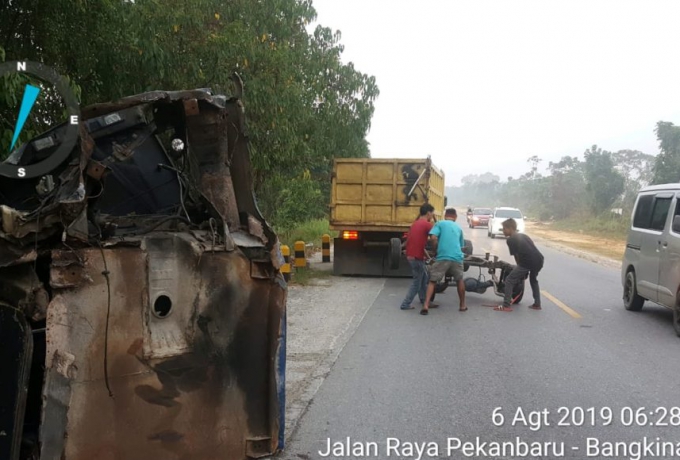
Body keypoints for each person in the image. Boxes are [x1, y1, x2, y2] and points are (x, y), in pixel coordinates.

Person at [422, 207, 467, 315]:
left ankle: (426, 305)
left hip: (443, 257)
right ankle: (462, 305)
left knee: (432, 281)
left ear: (445, 215)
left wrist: (435, 249)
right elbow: (461, 246)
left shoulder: (440, 224)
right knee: (459, 280)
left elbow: (432, 237)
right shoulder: (458, 228)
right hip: (456, 257)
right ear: (455, 217)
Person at [494, 218, 544, 312]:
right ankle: (537, 304)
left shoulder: (511, 240)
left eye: (504, 228)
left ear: (511, 228)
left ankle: (506, 305)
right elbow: (532, 248)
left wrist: (520, 270)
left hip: (527, 262)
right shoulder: (524, 236)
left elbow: (517, 256)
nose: (503, 231)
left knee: (509, 280)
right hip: (539, 260)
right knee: (533, 280)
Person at [400, 204, 437, 310]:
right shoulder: (427, 225)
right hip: (416, 258)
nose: (432, 215)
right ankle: (405, 304)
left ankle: (424, 299)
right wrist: (436, 250)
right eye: (432, 213)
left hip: (412, 256)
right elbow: (434, 238)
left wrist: (428, 256)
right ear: (429, 213)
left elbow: (418, 244)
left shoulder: (415, 224)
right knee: (417, 282)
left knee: (424, 277)